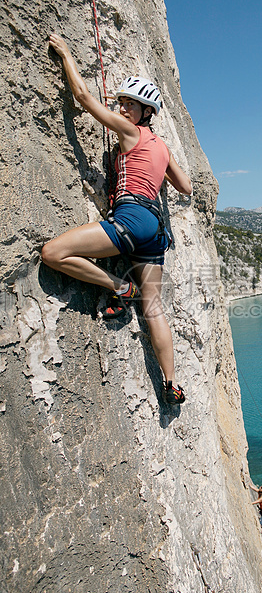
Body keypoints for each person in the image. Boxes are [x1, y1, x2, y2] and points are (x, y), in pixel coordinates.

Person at [42, 34, 192, 405]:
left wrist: (65, 54)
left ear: (145, 114)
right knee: (154, 307)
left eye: (131, 105)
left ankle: (120, 288)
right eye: (122, 103)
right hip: (156, 231)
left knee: (53, 253)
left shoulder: (130, 132)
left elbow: (84, 99)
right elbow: (185, 187)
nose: (124, 110)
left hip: (133, 217)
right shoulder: (161, 145)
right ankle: (171, 384)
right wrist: (161, 171)